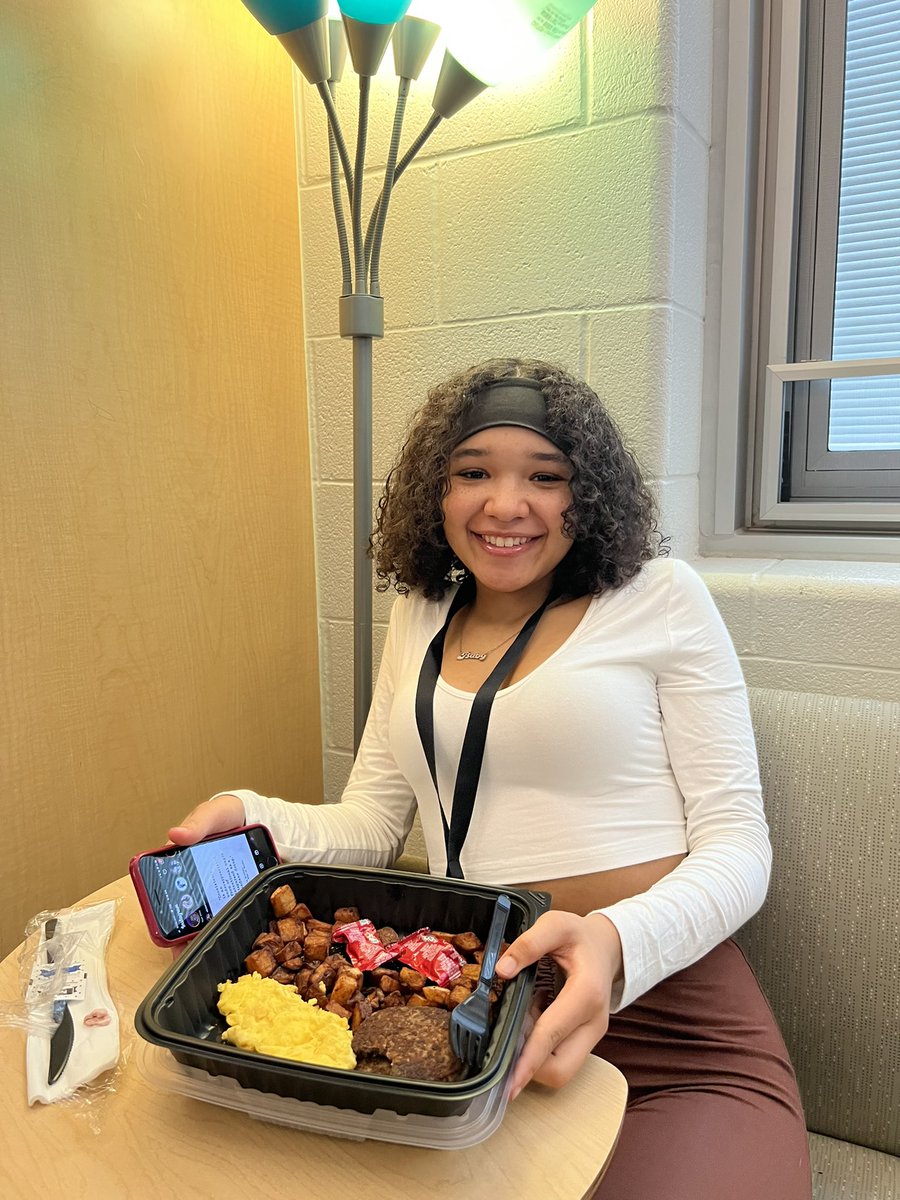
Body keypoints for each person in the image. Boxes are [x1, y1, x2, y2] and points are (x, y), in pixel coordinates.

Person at [170, 358, 811, 1198]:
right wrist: (249, 815)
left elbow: (738, 847)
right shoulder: (417, 616)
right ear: (436, 493)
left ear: (587, 496)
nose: (507, 505)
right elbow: (371, 822)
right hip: (476, 1009)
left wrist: (616, 942)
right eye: (473, 472)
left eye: (545, 477)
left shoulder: (660, 597)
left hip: (667, 1013)